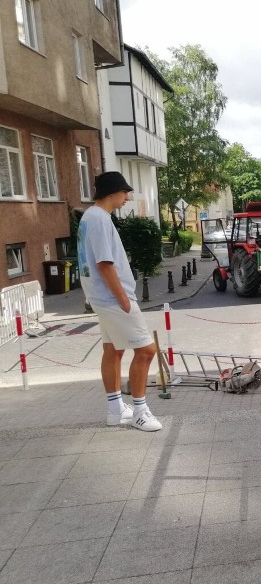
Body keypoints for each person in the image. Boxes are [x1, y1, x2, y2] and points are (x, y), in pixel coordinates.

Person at [77, 171, 161, 431]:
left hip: (101, 297)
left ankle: (115, 409)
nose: (127, 197)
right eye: (125, 192)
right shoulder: (100, 219)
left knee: (113, 350)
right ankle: (139, 411)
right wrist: (123, 298)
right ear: (112, 192)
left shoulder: (89, 217)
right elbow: (104, 263)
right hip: (113, 298)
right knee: (146, 351)